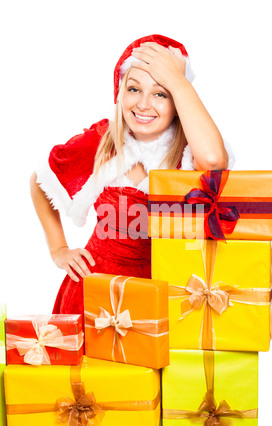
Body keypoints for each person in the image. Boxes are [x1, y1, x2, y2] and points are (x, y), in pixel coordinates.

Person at [30, 34, 234, 317]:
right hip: (93, 296)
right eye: (134, 89)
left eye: (161, 93)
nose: (143, 104)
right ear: (120, 92)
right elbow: (40, 182)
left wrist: (176, 79)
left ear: (179, 101)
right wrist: (59, 250)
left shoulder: (190, 153)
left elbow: (214, 160)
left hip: (163, 298)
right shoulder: (101, 140)